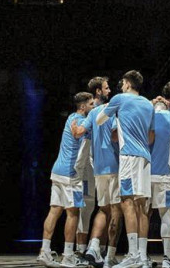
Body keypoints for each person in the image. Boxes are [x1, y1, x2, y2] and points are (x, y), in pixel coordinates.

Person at [96, 71, 155, 268]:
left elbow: (99, 120)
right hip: (146, 158)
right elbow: (151, 136)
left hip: (128, 156)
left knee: (127, 202)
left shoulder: (119, 99)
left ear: (128, 83)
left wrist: (112, 112)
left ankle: (132, 255)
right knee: (141, 206)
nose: (120, 86)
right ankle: (142, 255)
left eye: (122, 82)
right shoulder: (148, 104)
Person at [37, 93, 95, 268]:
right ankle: (69, 255)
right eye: (91, 104)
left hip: (57, 171)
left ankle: (44, 252)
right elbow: (80, 138)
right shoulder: (81, 122)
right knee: (73, 213)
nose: (93, 107)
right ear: (83, 106)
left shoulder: (71, 117)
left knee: (54, 210)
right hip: (71, 174)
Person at [75, 77, 123, 268]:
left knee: (104, 209)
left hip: (98, 168)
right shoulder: (111, 111)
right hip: (115, 165)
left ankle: (95, 248)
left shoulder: (92, 112)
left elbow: (79, 132)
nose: (109, 90)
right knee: (116, 211)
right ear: (98, 92)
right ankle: (110, 254)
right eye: (106, 88)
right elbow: (114, 135)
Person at [149, 101, 170, 268]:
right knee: (165, 214)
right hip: (163, 173)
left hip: (144, 173)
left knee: (141, 215)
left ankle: (140, 256)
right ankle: (167, 258)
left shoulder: (146, 114)